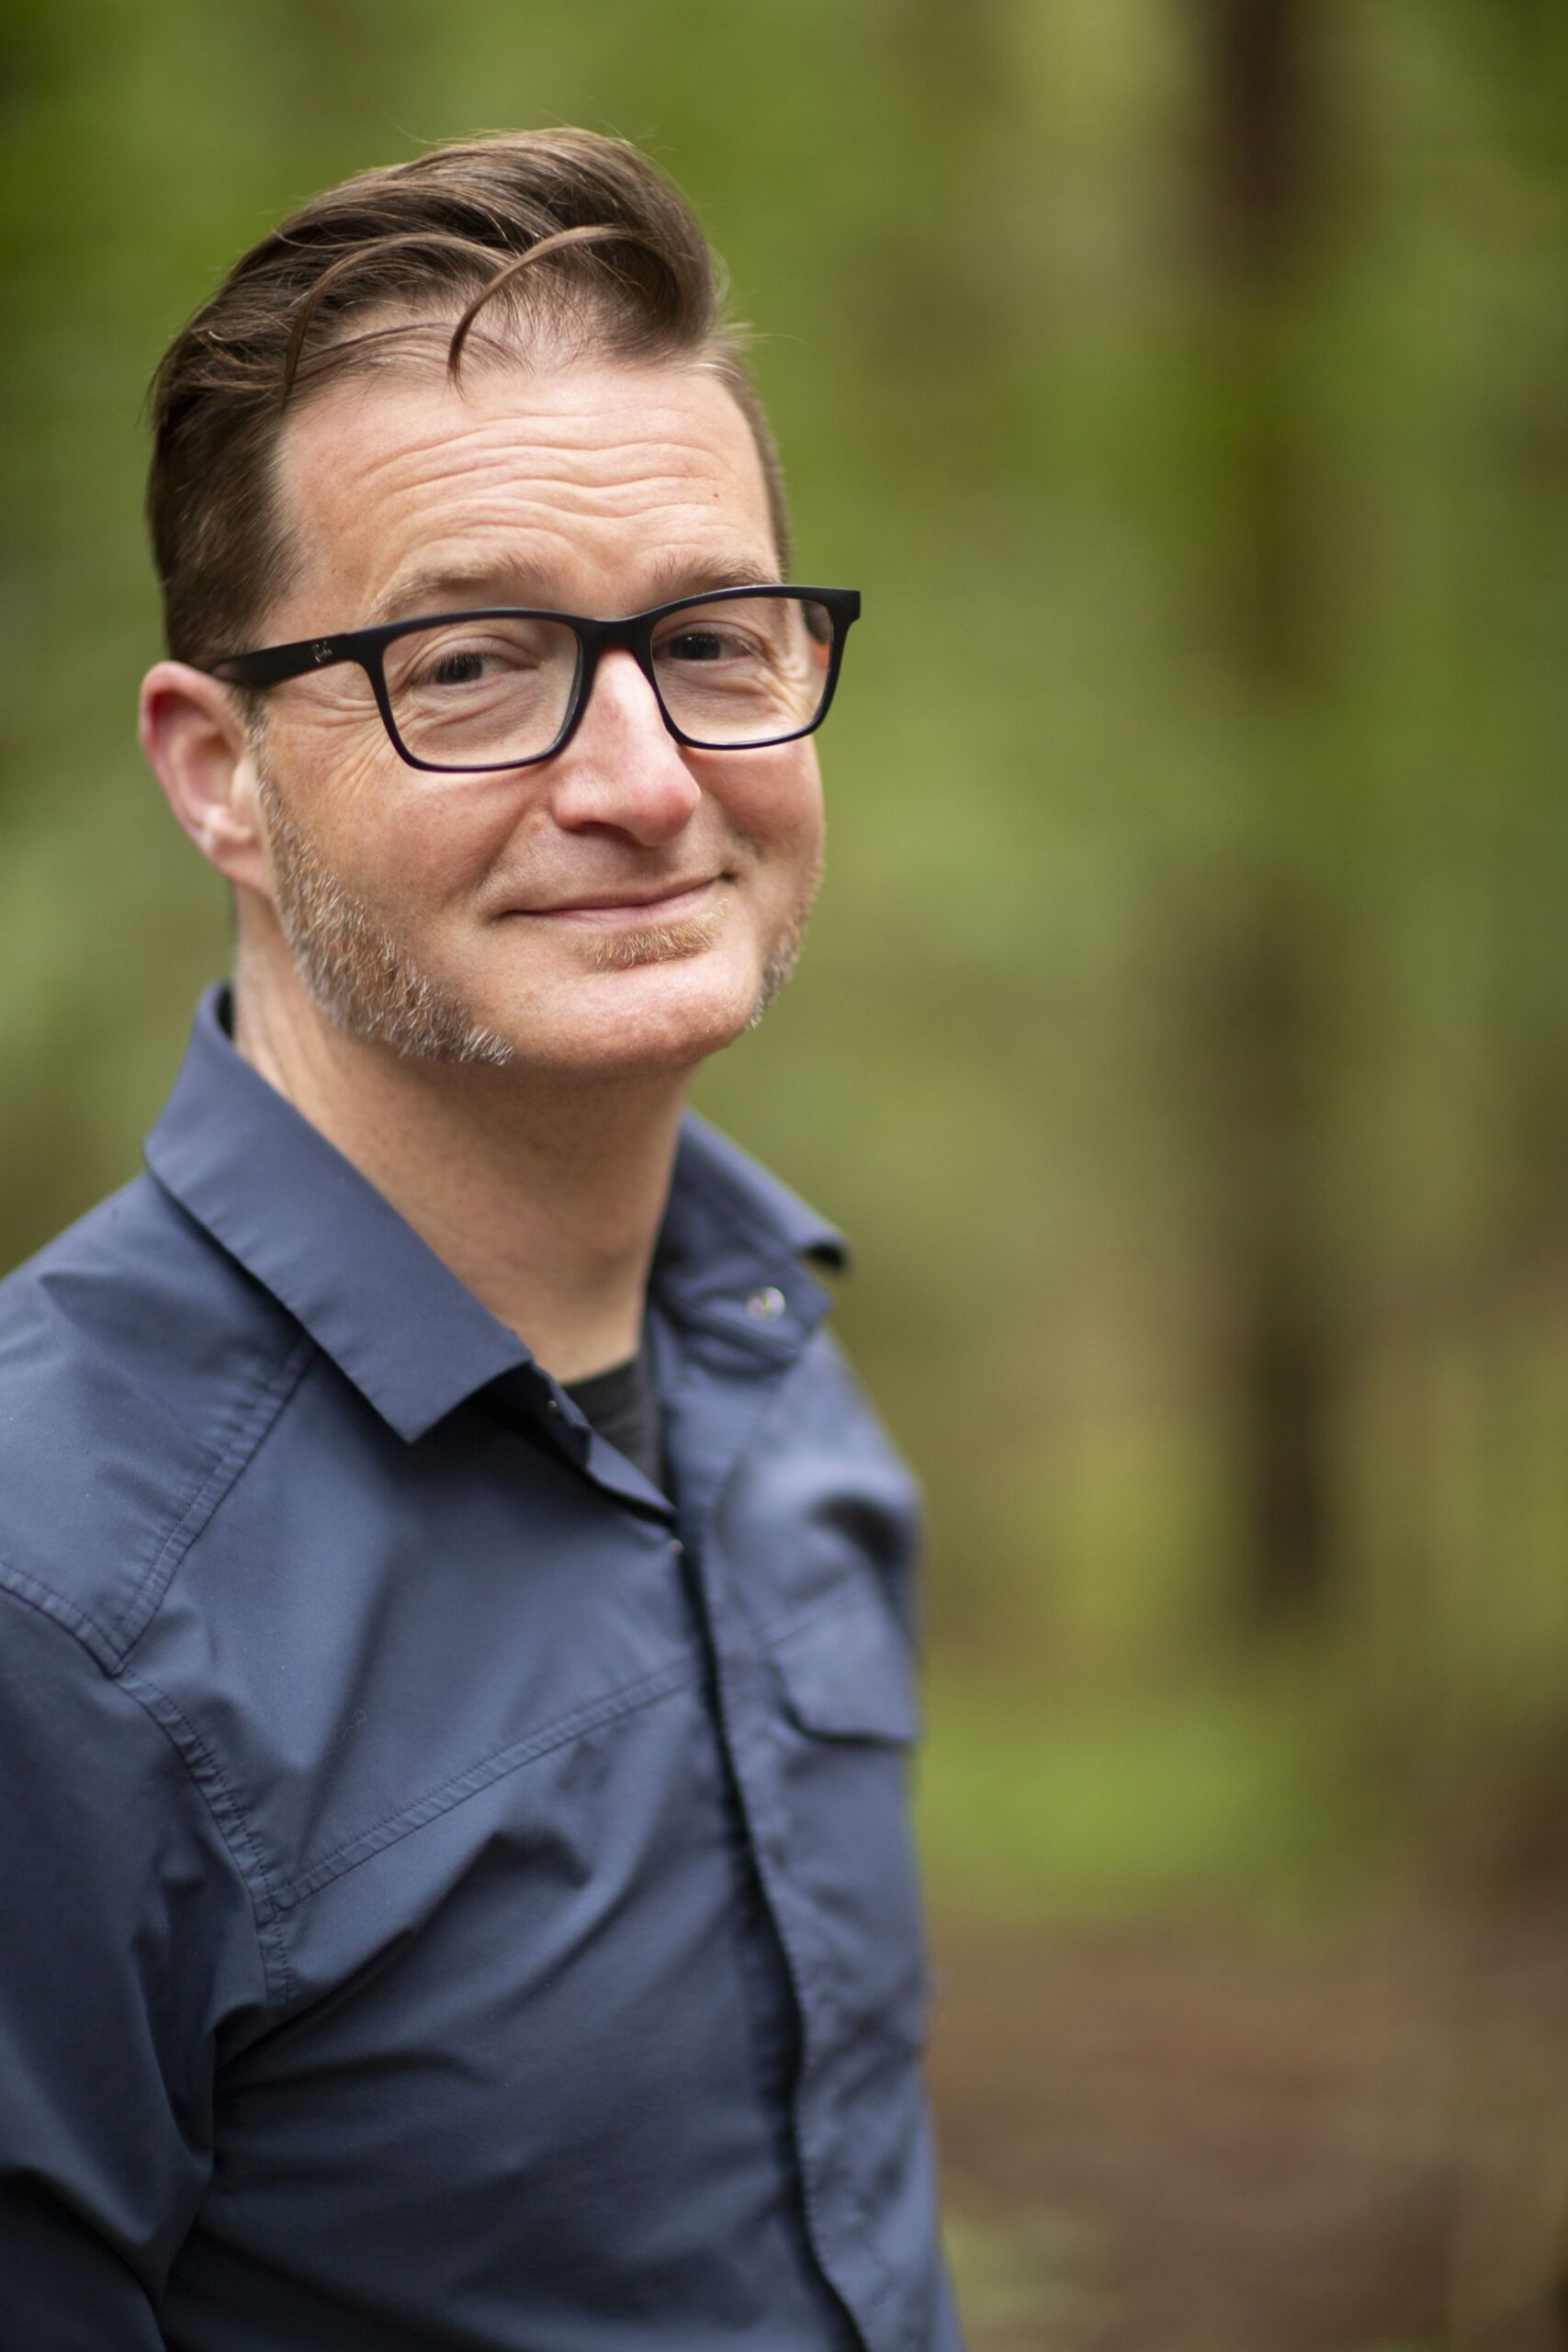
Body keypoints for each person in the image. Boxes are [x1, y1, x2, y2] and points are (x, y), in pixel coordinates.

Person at [0, 130, 963, 2352]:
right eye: (472, 661)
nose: (642, 775)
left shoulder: (775, 1372)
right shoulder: (51, 1606)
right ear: (217, 769)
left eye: (710, 642)